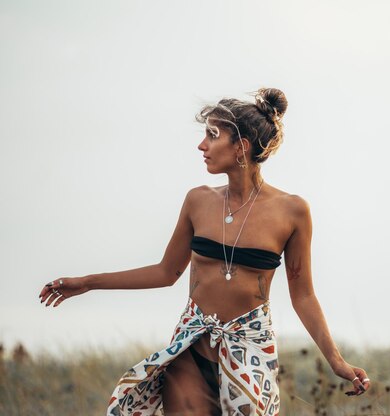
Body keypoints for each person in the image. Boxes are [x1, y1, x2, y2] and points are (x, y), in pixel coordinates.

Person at [38, 87, 370, 416]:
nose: (202, 145)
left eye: (212, 135)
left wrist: (336, 361)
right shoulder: (198, 200)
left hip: (250, 352)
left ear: (240, 147)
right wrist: (88, 282)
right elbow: (166, 272)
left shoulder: (292, 211)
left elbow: (304, 296)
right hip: (191, 347)